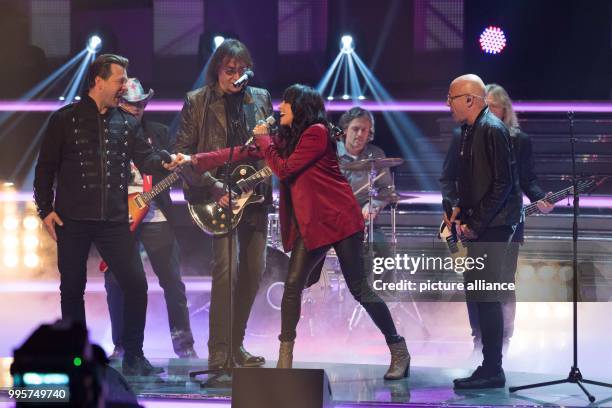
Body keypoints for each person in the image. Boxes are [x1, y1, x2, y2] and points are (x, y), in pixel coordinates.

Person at [172, 84, 411, 380]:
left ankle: (398, 349)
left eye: (285, 103)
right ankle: (285, 358)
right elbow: (237, 152)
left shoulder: (318, 133)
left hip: (340, 221)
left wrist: (265, 141)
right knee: (293, 285)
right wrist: (194, 160)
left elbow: (284, 169)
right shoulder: (285, 138)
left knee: (359, 288)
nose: (279, 108)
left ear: (299, 107)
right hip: (311, 225)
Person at [33, 54, 181, 375]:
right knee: (72, 288)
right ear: (98, 81)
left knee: (136, 285)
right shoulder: (64, 119)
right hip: (72, 219)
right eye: (119, 81)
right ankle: (77, 360)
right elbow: (44, 169)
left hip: (114, 222)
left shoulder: (126, 124)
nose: (124, 87)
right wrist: (45, 209)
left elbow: (147, 159)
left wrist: (168, 160)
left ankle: (134, 356)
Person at [174, 39, 272, 369]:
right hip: (218, 199)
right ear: (218, 69)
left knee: (254, 272)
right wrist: (216, 187)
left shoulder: (259, 99)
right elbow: (183, 158)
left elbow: (270, 149)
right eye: (230, 70)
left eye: (243, 71)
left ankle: (236, 343)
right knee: (226, 271)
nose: (237, 77)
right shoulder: (197, 102)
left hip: (255, 198)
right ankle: (219, 352)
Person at [440, 84, 554, 353]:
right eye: (485, 103)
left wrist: (540, 197)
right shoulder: (463, 136)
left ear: (505, 110)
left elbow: (525, 179)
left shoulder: (518, 140)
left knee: (502, 283)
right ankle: (480, 340)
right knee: (474, 283)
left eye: (494, 105)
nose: (488, 110)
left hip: (504, 222)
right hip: (469, 222)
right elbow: (448, 178)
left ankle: (502, 343)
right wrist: (454, 210)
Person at [104, 78, 197, 360]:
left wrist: (181, 168)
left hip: (156, 217)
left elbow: (170, 168)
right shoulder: (105, 133)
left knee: (172, 281)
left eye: (141, 104)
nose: (138, 109)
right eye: (132, 104)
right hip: (120, 218)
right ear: (119, 103)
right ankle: (122, 346)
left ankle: (184, 345)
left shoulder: (157, 132)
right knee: (115, 281)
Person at [443, 74, 522, 389]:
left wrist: (476, 224)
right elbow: (472, 180)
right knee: (480, 296)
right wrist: (460, 208)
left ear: (470, 99)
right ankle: (489, 365)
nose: (447, 104)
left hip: (493, 226)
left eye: (451, 97)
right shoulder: (470, 130)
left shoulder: (492, 129)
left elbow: (503, 184)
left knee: (487, 297)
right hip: (483, 224)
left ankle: (492, 368)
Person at [337, 107, 394, 249]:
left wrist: (373, 205)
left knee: (385, 257)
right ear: (345, 130)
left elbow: (387, 190)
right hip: (335, 224)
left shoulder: (376, 155)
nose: (360, 134)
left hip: (366, 225)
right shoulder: (331, 154)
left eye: (365, 130)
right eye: (355, 129)